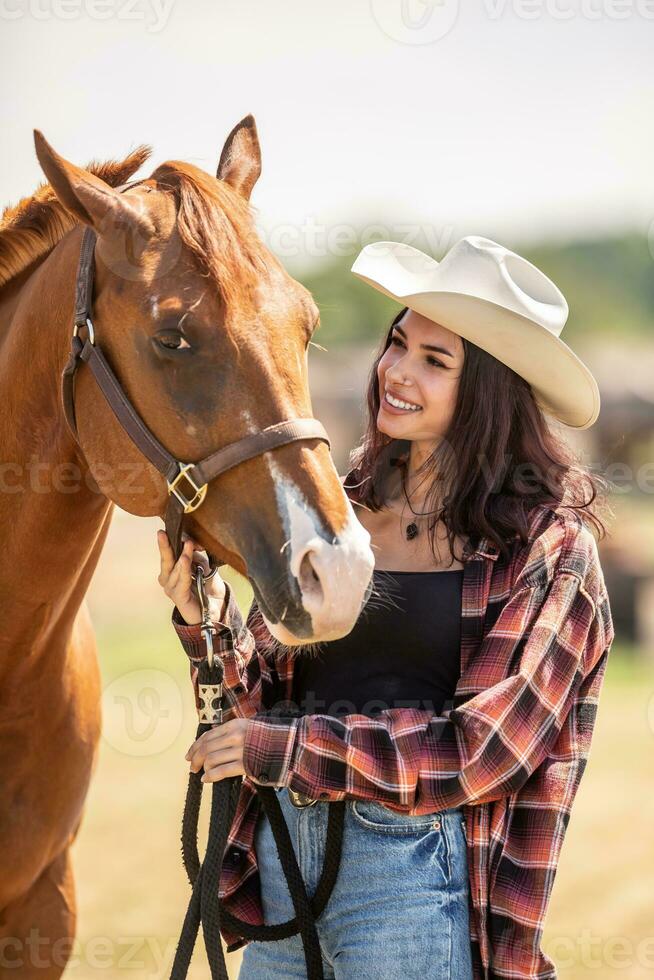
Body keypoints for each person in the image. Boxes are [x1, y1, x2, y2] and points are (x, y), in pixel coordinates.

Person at [156, 235, 615, 979]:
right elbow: (264, 698)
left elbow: (484, 754)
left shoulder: (551, 551)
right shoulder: (341, 513)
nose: (396, 372)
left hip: (410, 871)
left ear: (490, 390)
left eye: (435, 362)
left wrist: (295, 751)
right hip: (282, 855)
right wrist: (207, 620)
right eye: (398, 343)